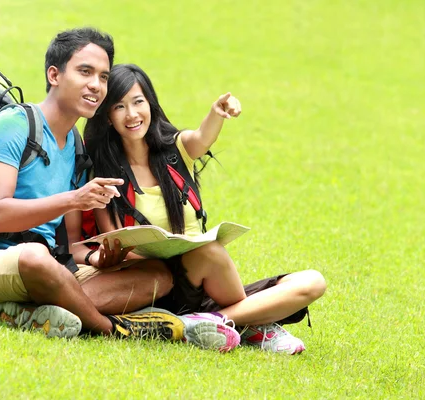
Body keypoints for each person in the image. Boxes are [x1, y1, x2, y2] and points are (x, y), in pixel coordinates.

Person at [0, 28, 241, 352]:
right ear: (54, 75)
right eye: (85, 72)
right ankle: (113, 329)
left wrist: (97, 258)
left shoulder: (74, 146)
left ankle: (34, 313)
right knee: (35, 258)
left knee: (157, 276)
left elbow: (72, 247)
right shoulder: (13, 125)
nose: (96, 85)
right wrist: (73, 199)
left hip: (49, 267)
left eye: (103, 76)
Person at [82, 64, 327, 354]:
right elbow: (115, 240)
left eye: (138, 102)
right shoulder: (105, 172)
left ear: (151, 103)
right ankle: (253, 324)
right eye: (120, 106)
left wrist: (217, 111)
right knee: (208, 251)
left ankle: (214, 322)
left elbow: (201, 137)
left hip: (205, 285)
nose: (132, 114)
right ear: (108, 117)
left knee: (312, 282)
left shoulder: (175, 151)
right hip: (157, 284)